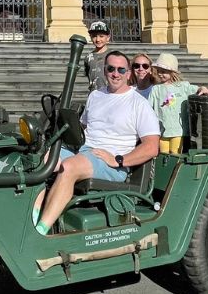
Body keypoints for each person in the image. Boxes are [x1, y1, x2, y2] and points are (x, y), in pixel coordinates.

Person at [35, 50, 160, 235]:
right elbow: (85, 129)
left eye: (121, 69)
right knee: (43, 161)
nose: (115, 74)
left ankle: (40, 231)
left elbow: (151, 147)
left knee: (69, 167)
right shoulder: (96, 96)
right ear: (104, 70)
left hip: (110, 162)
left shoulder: (138, 104)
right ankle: (33, 217)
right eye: (111, 68)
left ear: (128, 73)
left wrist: (119, 160)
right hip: (85, 151)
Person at [149, 53, 208, 155]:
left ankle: (175, 170)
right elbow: (149, 107)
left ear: (172, 73)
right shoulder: (156, 89)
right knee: (163, 154)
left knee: (175, 153)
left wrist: (203, 88)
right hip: (162, 130)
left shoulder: (183, 86)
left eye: (164, 72)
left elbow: (196, 89)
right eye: (159, 71)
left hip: (178, 130)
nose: (160, 74)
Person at [83, 21, 112, 91]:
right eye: (94, 36)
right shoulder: (88, 57)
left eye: (101, 36)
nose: (98, 40)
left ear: (108, 37)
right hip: (94, 95)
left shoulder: (113, 56)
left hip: (110, 94)